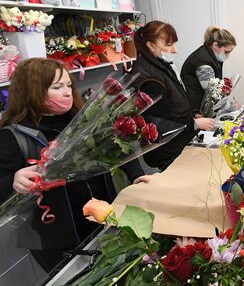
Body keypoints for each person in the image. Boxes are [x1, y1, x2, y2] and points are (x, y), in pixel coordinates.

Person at [0, 58, 151, 273]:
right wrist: (14, 180)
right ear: (31, 91)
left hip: (102, 218)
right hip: (58, 240)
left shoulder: (86, 119)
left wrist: (136, 175)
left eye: (68, 85)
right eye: (56, 87)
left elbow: (118, 148)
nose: (67, 92)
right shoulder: (13, 137)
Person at [132, 21, 215, 170]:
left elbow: (175, 100)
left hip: (178, 140)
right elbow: (159, 119)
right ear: (151, 45)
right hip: (167, 148)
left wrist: (192, 115)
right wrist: (194, 124)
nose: (174, 50)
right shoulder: (148, 75)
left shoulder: (160, 65)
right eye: (169, 45)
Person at [180, 26, 237, 114]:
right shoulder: (204, 63)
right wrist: (232, 107)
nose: (228, 55)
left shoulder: (211, 56)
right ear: (215, 45)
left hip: (201, 107)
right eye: (226, 52)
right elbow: (213, 95)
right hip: (196, 110)